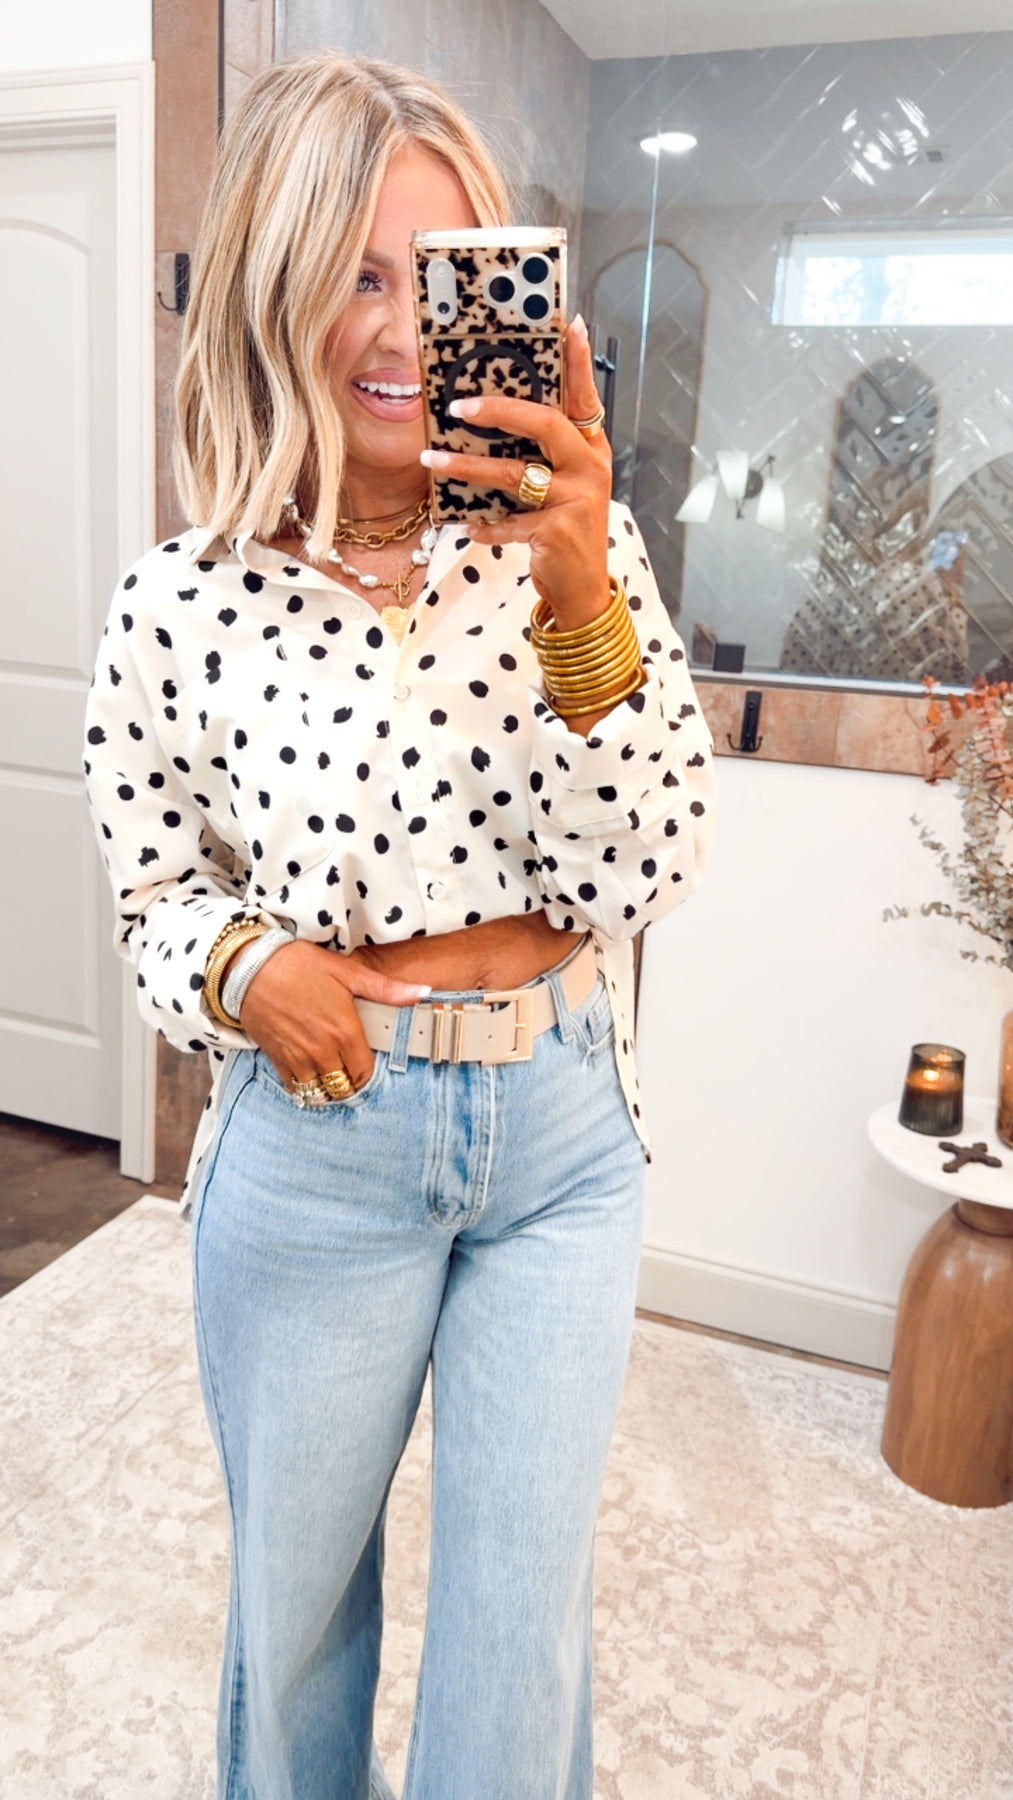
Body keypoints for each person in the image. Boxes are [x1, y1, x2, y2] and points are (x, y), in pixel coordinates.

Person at [83, 52, 715, 1800]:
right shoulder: (181, 600)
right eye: (353, 271)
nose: (399, 330)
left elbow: (647, 865)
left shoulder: (575, 547)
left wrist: (577, 587)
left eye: (438, 277)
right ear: (272, 280)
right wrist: (246, 967)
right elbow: (153, 888)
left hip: (560, 1140)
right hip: (319, 1141)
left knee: (520, 1632)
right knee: (295, 1617)